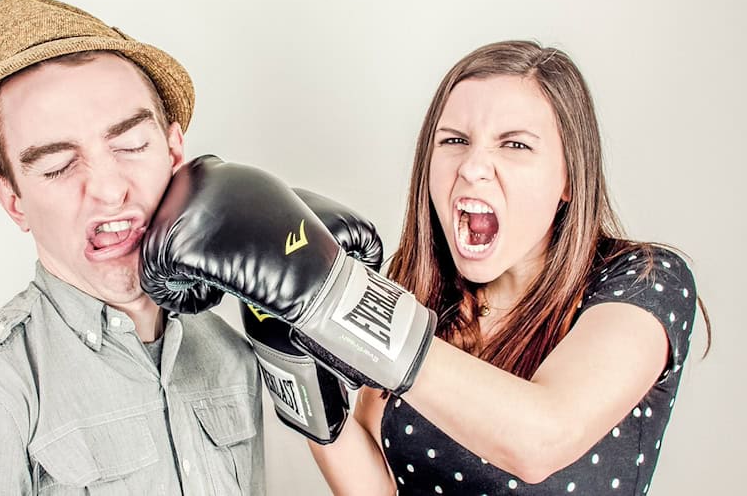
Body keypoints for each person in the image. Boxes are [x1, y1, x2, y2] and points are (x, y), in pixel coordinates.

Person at [0, 0, 264, 495]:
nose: (107, 188)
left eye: (130, 145)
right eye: (58, 166)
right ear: (13, 200)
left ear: (173, 151)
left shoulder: (231, 354)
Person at [304, 40, 711, 495]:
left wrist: (344, 303)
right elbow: (380, 489)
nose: (473, 167)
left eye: (515, 144)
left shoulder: (644, 280)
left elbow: (541, 437)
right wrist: (293, 362)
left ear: (570, 180)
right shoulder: (421, 292)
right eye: (454, 140)